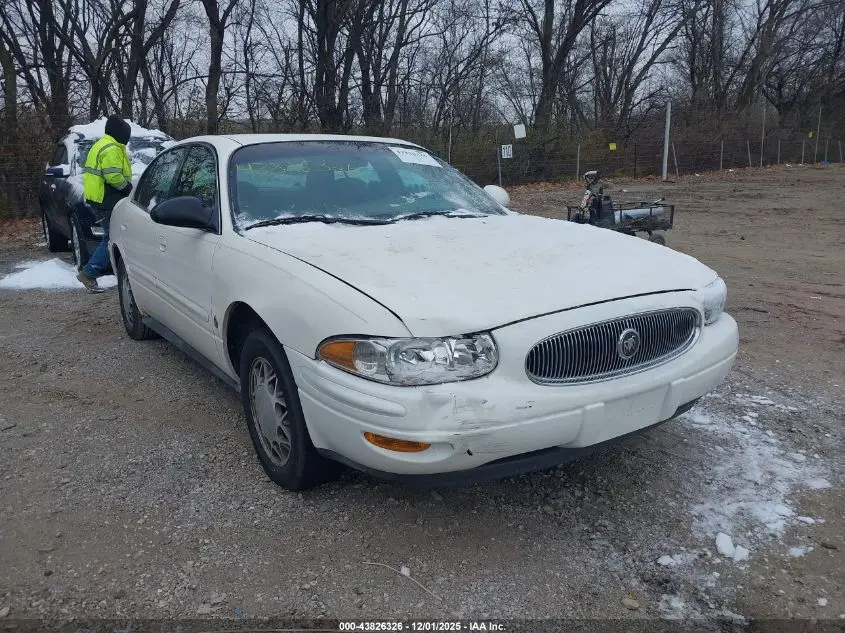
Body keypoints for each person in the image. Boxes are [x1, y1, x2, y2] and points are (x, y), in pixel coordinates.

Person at [76, 114, 133, 293]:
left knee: (110, 236)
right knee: (111, 238)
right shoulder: (112, 148)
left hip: (98, 198)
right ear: (121, 134)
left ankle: (93, 272)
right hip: (107, 199)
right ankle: (89, 273)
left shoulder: (100, 144)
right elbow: (113, 176)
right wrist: (127, 188)